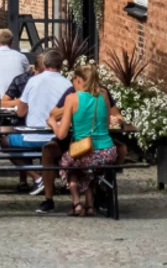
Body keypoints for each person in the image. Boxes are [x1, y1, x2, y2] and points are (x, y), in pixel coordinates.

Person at [3, 48, 74, 211]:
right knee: (52, 151)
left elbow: (21, 111)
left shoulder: (33, 81)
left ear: (43, 63)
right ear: (61, 66)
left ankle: (34, 176)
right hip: (57, 136)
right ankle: (50, 181)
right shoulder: (67, 84)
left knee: (5, 142)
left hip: (33, 136)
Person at [52, 59, 121, 217]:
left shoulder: (73, 98)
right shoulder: (103, 95)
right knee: (86, 167)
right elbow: (106, 125)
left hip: (86, 151)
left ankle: (76, 202)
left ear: (79, 80)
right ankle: (89, 204)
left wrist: (52, 122)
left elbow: (61, 134)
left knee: (67, 162)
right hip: (108, 152)